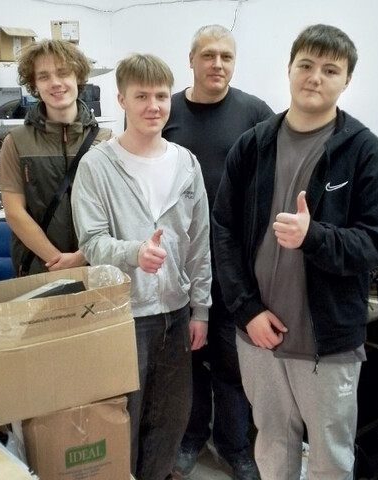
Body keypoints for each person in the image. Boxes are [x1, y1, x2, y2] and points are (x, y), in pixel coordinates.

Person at [211, 24, 378, 480]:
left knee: (330, 458)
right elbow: (224, 231)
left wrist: (314, 236)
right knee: (272, 447)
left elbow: (377, 243)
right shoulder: (253, 146)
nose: (315, 77)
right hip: (259, 337)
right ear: (289, 69)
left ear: (347, 80)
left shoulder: (364, 151)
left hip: (325, 343)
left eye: (330, 70)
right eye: (306, 65)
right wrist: (247, 310)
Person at [71, 53, 212, 480]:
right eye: (142, 96)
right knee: (123, 420)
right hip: (123, 316)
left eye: (162, 96)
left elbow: (199, 243)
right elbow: (91, 242)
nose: (154, 106)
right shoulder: (97, 165)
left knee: (170, 419)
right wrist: (134, 253)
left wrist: (201, 309)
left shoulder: (186, 163)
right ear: (122, 100)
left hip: (176, 314)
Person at [162, 24, 273, 480]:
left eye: (226, 56)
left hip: (233, 261)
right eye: (208, 55)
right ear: (191, 60)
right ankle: (191, 436)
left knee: (231, 359)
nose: (218, 64)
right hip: (177, 260)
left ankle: (234, 446)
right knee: (186, 358)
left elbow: (275, 177)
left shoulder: (255, 113)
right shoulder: (165, 111)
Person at [0, 39, 111, 276]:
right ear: (34, 85)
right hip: (40, 269)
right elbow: (14, 213)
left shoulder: (106, 140)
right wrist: (56, 261)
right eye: (44, 76)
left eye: (63, 73)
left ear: (78, 76)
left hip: (96, 267)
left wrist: (82, 256)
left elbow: (115, 209)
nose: (55, 83)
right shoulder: (16, 142)